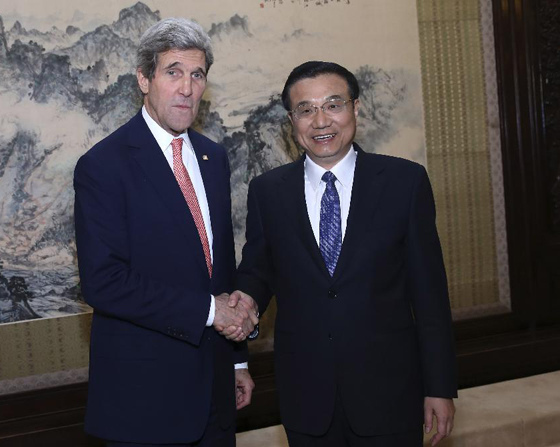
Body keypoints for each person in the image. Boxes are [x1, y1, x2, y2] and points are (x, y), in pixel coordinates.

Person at [233, 61, 457, 447]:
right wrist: (242, 309)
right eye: (306, 109)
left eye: (334, 105)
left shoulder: (405, 182)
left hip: (390, 394)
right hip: (306, 396)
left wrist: (440, 386)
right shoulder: (268, 192)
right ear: (292, 120)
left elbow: (430, 295)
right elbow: (257, 271)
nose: (321, 121)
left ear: (356, 109)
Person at [73, 18, 258, 447]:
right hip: (145, 403)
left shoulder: (213, 157)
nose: (187, 88)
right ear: (144, 78)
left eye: (197, 75)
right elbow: (104, 283)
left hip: (215, 393)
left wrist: (236, 362)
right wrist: (211, 313)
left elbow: (220, 266)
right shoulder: (103, 165)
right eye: (173, 72)